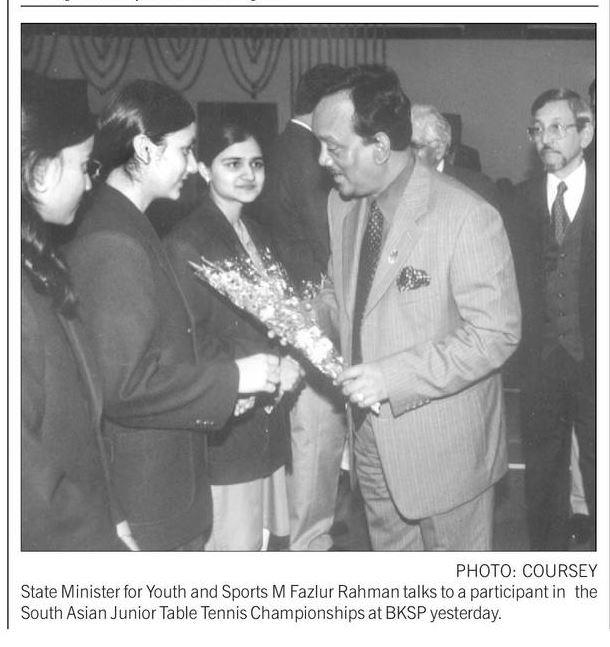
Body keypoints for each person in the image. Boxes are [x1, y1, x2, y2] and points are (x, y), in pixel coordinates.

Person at [64, 80, 280, 551]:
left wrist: (222, 393)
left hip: (167, 482)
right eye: (184, 150)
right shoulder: (114, 241)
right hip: (149, 496)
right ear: (145, 149)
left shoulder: (131, 224)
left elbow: (162, 350)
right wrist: (232, 379)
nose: (190, 164)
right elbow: (125, 387)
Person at [312, 64, 521, 550]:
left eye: (334, 147)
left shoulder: (466, 216)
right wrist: (306, 319)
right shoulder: (342, 205)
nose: (322, 160)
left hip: (446, 454)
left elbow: (496, 334)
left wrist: (392, 378)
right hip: (369, 443)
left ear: (380, 146)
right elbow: (339, 293)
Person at [164, 120, 302, 550]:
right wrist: (259, 371)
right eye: (233, 164)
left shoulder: (257, 233)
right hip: (229, 420)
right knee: (233, 548)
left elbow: (277, 318)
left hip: (267, 418)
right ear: (205, 170)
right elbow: (189, 338)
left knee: (265, 543)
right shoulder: (187, 242)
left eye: (256, 164)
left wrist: (288, 358)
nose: (248, 174)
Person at [21, 72, 127, 550]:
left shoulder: (36, 261)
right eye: (84, 166)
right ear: (40, 171)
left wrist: (114, 517)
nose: (88, 183)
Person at [261, 64, 349, 551]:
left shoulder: (279, 146)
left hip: (285, 307)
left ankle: (305, 530)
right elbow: (329, 241)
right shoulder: (310, 157)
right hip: (312, 310)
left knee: (306, 436)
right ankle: (310, 541)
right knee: (317, 433)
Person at [515, 88, 595, 550]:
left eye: (558, 127)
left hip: (595, 359)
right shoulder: (518, 200)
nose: (545, 138)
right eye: (538, 129)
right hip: (540, 362)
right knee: (542, 476)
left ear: (586, 133)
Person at [410, 104, 502, 211]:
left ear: (439, 149)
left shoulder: (477, 189)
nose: (406, 153)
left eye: (414, 146)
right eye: (402, 146)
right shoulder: (397, 184)